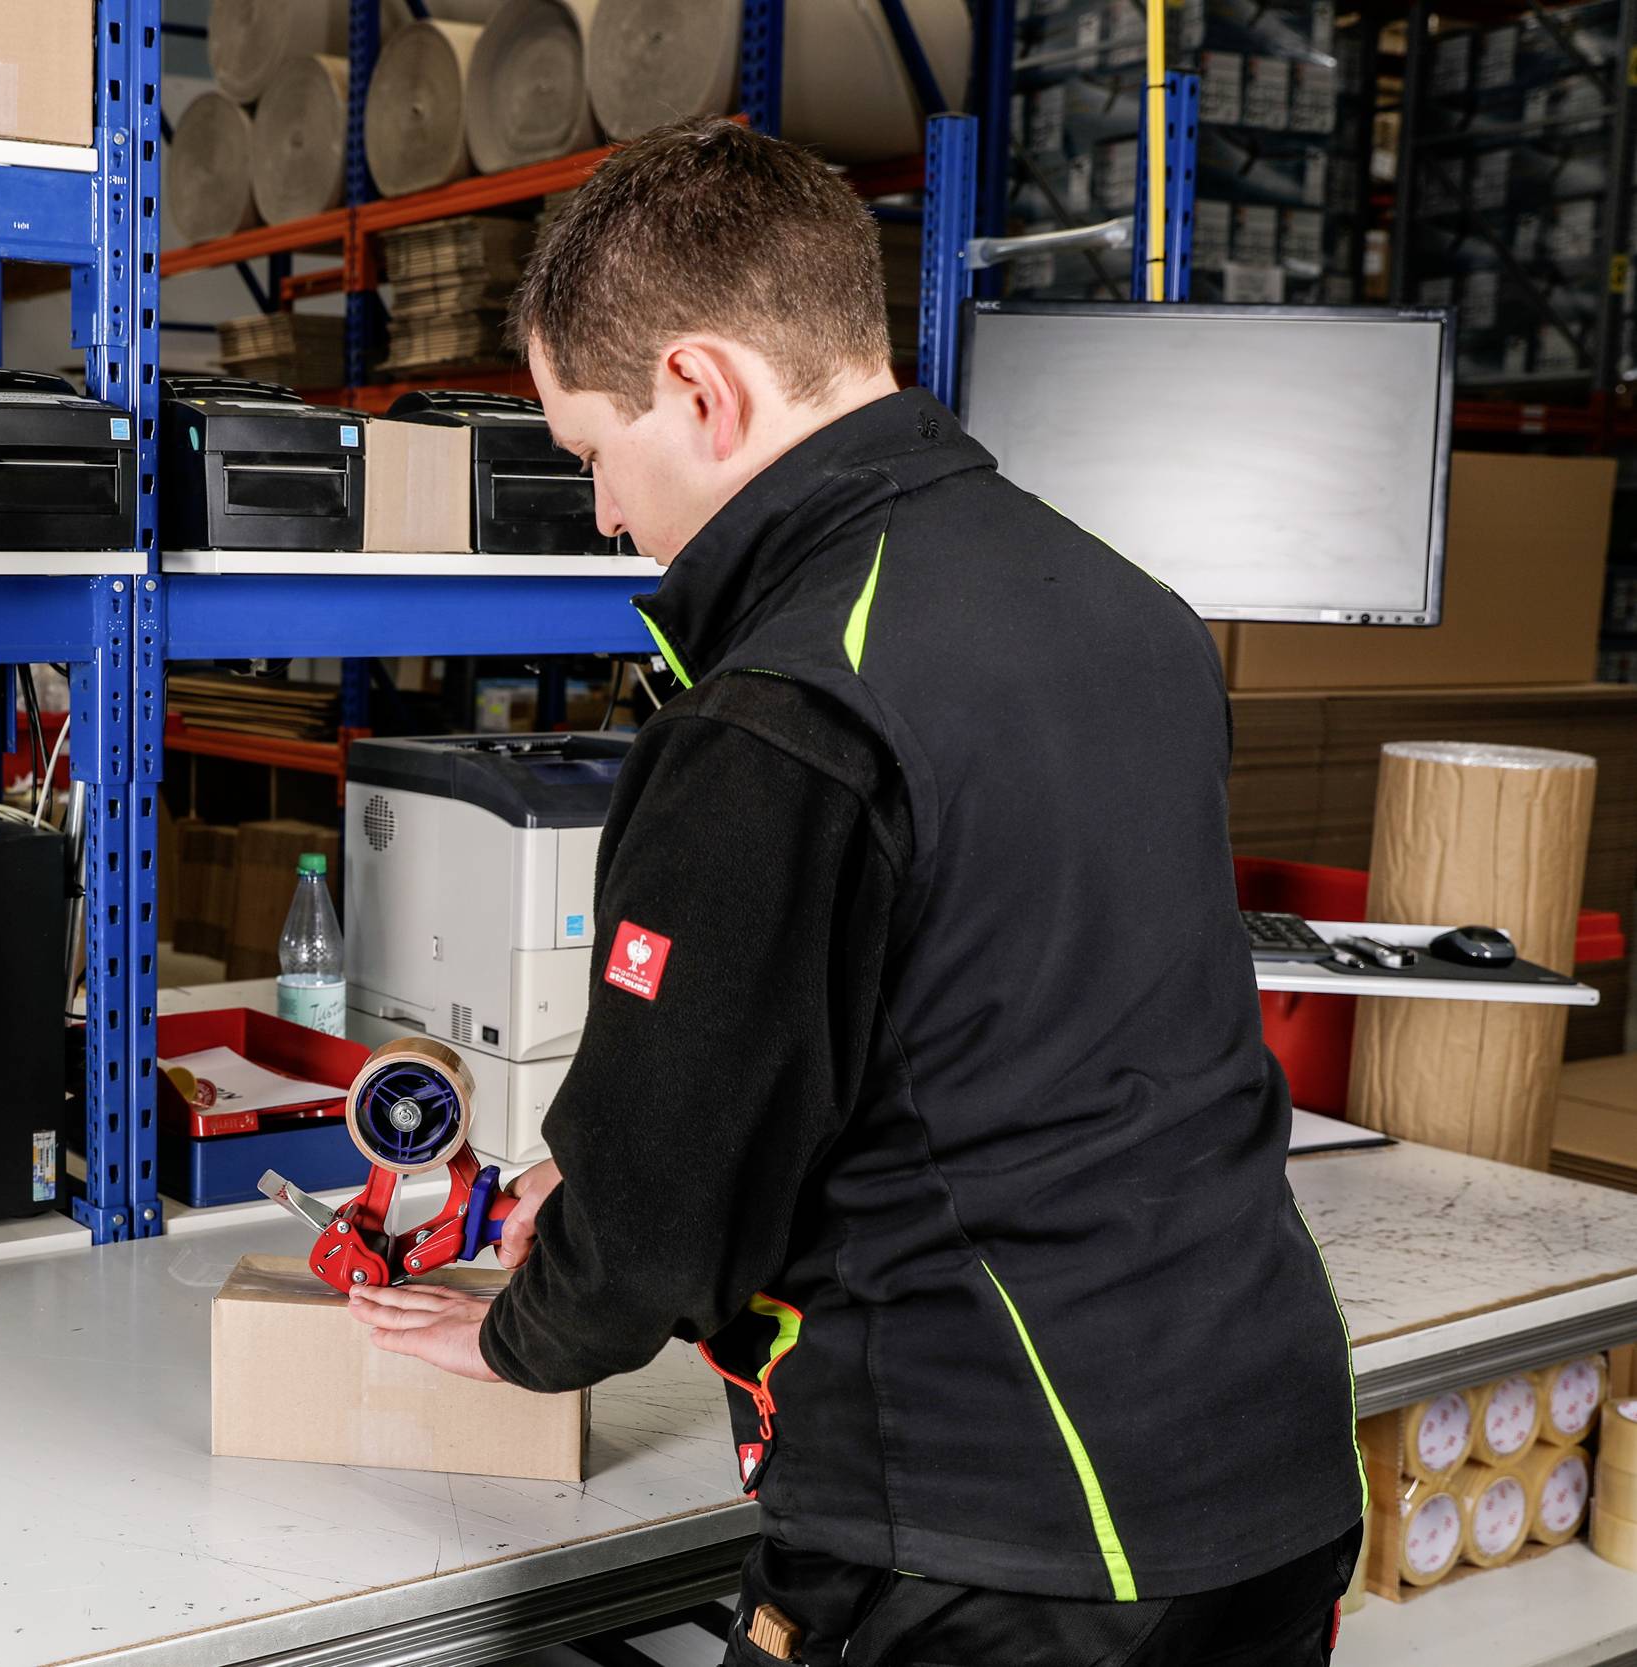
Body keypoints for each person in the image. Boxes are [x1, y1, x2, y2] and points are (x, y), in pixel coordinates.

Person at [344, 118, 1365, 1665]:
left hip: (1000, 1536)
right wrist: (615, 1185)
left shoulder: (785, 708)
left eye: (589, 453)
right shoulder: (1132, 607)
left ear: (701, 389)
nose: (608, 513)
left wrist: (532, 1322)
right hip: (1269, 1470)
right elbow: (992, 1030)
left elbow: (660, 1223)